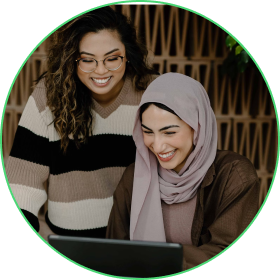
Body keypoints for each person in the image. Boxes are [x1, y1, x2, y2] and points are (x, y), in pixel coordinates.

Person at [6, 6, 158, 238]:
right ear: (72, 59)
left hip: (137, 242)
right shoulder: (48, 95)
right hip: (66, 243)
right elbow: (22, 183)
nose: (100, 71)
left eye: (112, 59)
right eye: (87, 60)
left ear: (128, 55)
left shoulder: (152, 92)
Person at [106, 73, 260, 270]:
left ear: (198, 127)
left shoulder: (234, 175)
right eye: (147, 132)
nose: (158, 146)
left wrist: (151, 256)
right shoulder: (134, 176)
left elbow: (226, 248)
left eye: (169, 132)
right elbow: (114, 249)